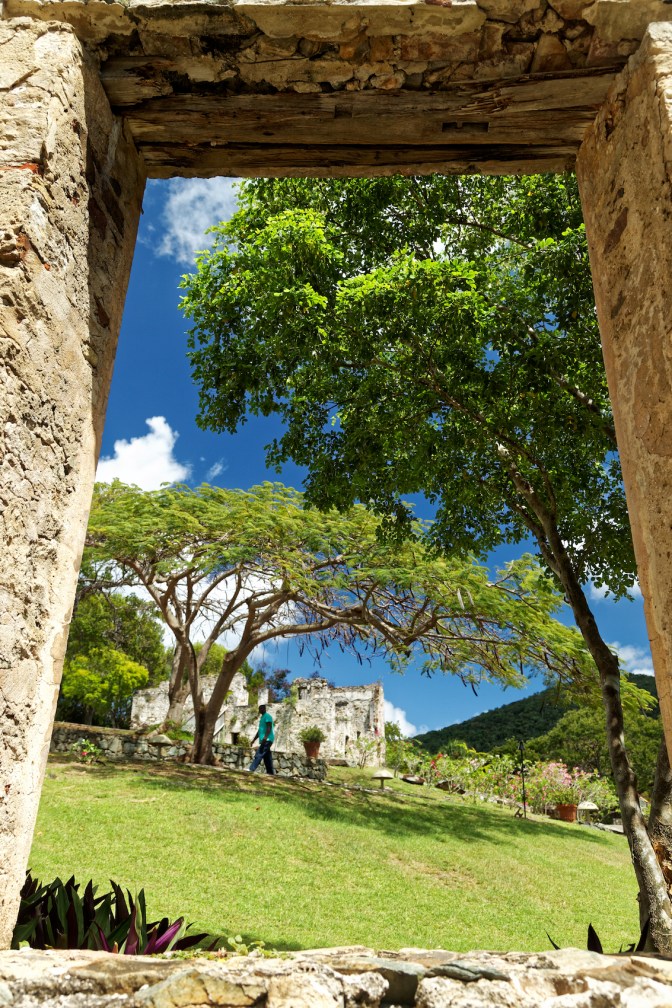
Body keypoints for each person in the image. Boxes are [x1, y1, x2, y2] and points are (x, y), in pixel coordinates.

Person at [247, 703, 275, 774]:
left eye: (261, 709)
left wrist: (265, 738)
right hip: (265, 739)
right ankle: (270, 773)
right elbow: (259, 731)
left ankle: (251, 769)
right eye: (259, 709)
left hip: (267, 739)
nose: (260, 710)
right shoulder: (262, 718)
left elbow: (269, 727)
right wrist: (253, 740)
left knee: (259, 753)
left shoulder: (267, 716)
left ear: (264, 709)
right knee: (267, 757)